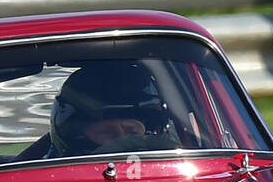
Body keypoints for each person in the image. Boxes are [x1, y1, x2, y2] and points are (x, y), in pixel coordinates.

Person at [49, 60, 177, 157]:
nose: (122, 139)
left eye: (132, 131)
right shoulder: (48, 180)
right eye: (106, 132)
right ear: (79, 138)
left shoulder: (183, 164)